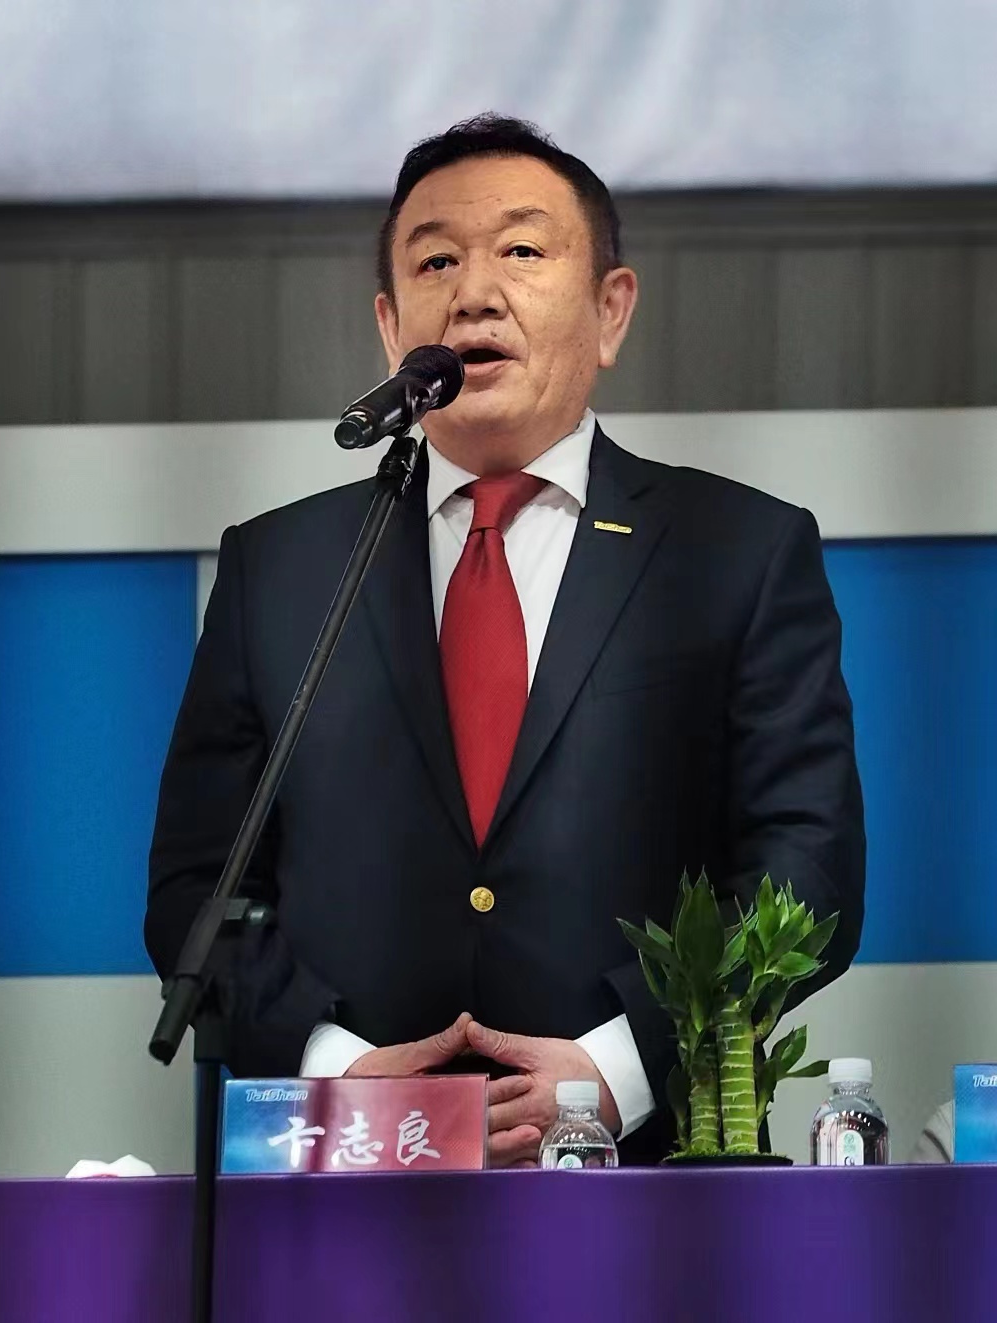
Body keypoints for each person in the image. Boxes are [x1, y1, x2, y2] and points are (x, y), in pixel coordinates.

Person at [146, 114, 865, 1166]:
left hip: (649, 1176)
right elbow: (197, 889)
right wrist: (340, 1072)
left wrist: (619, 1070)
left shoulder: (736, 550)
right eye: (436, 261)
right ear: (391, 327)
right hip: (344, 1178)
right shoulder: (282, 568)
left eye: (522, 251)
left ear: (610, 311)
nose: (475, 293)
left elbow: (807, 864)